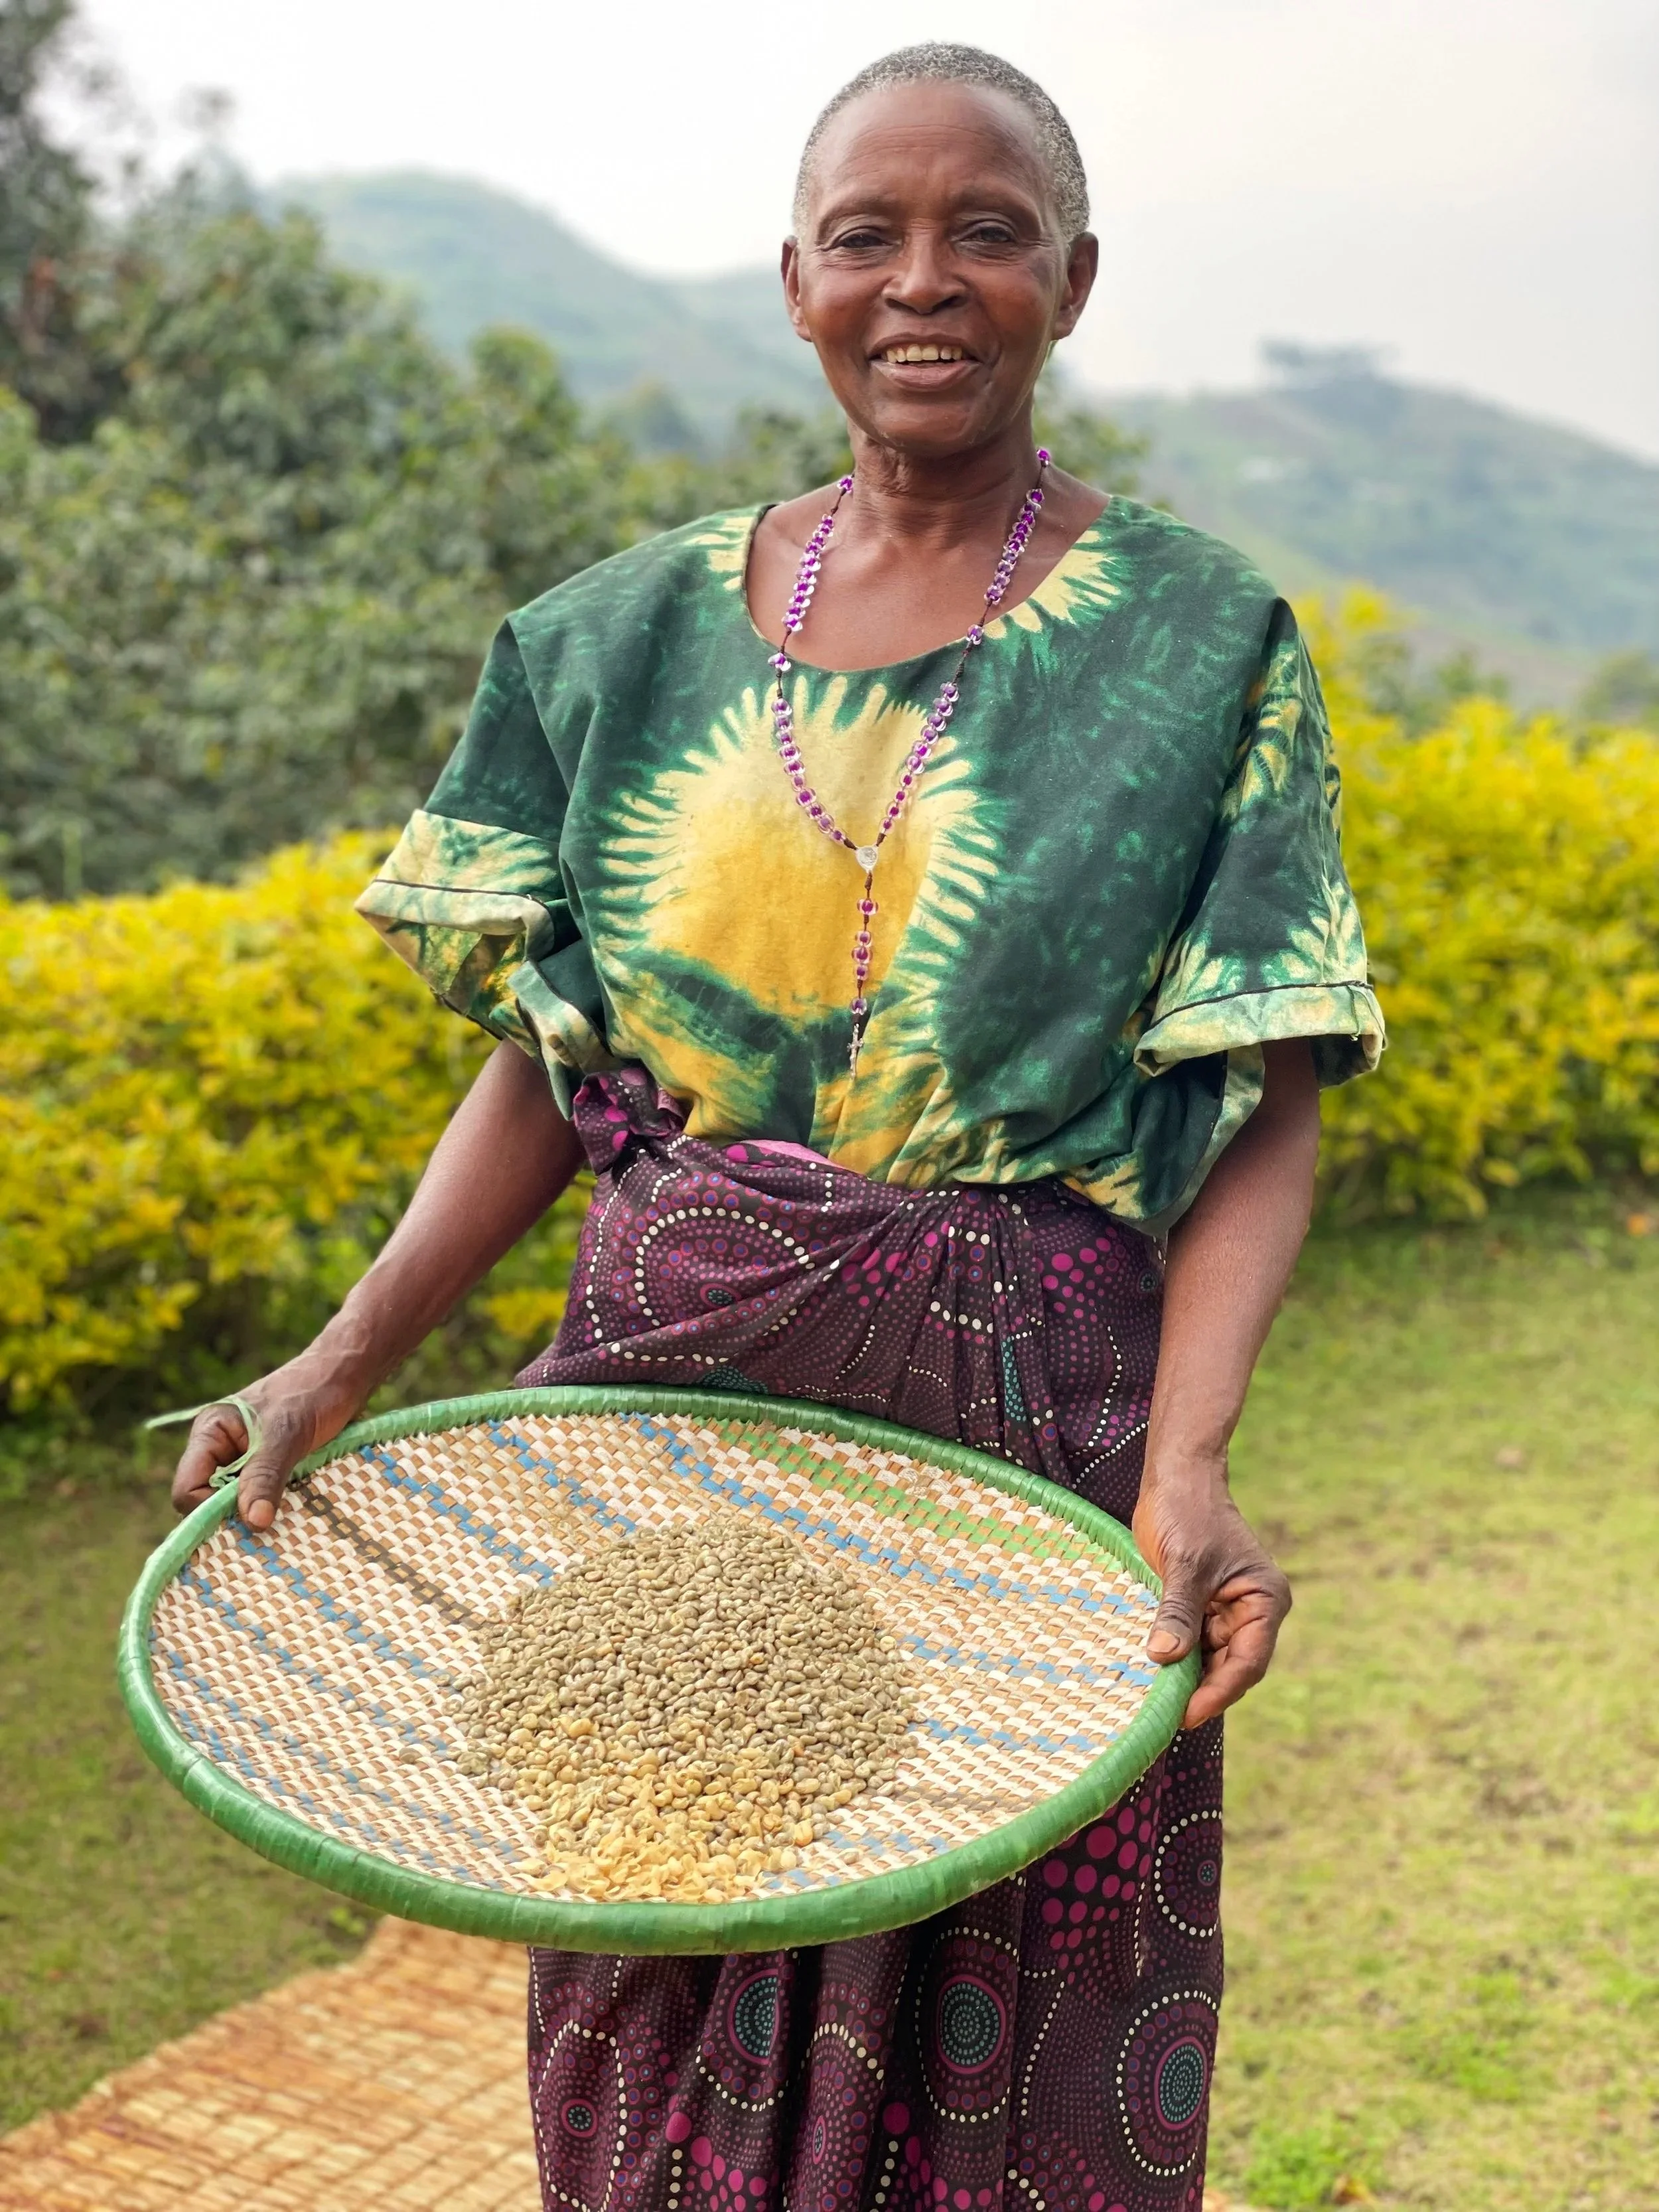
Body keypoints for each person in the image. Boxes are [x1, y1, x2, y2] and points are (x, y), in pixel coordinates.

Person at [172, 42, 1383, 2212]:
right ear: (795, 282)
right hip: (666, 1436)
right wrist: (341, 1355)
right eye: (868, 235)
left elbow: (1264, 1088)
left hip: (1032, 1447)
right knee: (655, 1985)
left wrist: (1187, 1466)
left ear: (1072, 280)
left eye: (986, 232)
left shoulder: (1200, 647)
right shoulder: (614, 639)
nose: (924, 281)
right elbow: (557, 1066)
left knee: (1015, 1983)